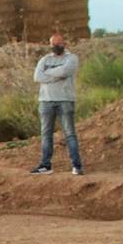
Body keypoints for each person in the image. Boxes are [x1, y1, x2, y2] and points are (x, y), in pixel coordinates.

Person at [30, 33, 84, 176]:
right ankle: (45, 165)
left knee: (70, 133)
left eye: (59, 43)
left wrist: (48, 74)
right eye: (54, 44)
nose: (57, 46)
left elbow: (66, 71)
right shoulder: (45, 59)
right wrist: (57, 76)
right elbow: (37, 77)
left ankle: (76, 166)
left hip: (65, 100)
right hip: (45, 101)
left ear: (64, 43)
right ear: (50, 45)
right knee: (46, 134)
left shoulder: (71, 58)